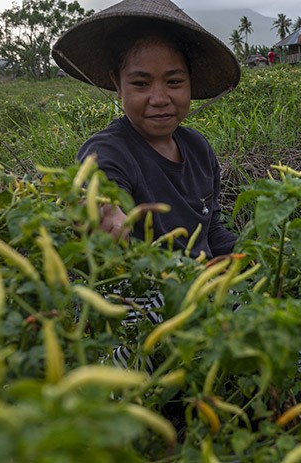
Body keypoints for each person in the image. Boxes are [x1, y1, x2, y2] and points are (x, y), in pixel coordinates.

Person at [52, 0, 241, 370]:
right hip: (141, 306)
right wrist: (105, 211)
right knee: (146, 349)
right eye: (140, 83)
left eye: (174, 82)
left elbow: (212, 228)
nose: (159, 99)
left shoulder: (199, 149)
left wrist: (250, 256)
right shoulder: (107, 149)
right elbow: (97, 186)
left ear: (189, 83)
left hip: (204, 292)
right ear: (116, 85)